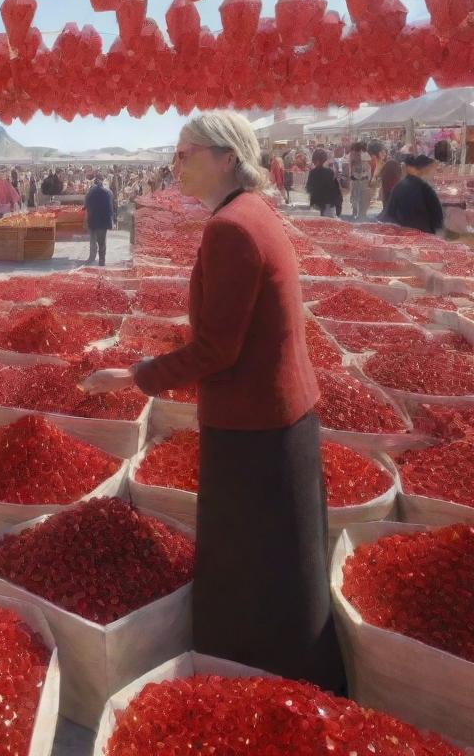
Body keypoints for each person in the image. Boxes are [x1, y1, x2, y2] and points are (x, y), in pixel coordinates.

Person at [82, 111, 343, 691]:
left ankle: (257, 682)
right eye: (175, 153)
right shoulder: (254, 214)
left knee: (251, 563)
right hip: (280, 413)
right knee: (285, 561)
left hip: (255, 422)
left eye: (186, 152)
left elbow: (218, 350)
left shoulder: (230, 228)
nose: (176, 164)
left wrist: (135, 374)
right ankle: (291, 676)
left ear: (227, 158)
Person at [382, 154, 444, 234]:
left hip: (402, 234)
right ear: (425, 169)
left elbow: (389, 213)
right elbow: (438, 218)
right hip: (423, 235)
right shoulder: (426, 189)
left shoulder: (399, 186)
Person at [84, 173, 114, 266]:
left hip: (93, 219)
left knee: (93, 240)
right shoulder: (108, 192)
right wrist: (111, 219)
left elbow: (86, 205)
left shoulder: (90, 192)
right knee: (102, 242)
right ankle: (102, 260)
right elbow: (110, 208)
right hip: (103, 220)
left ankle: (91, 258)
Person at [305, 149, 342, 217]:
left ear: (314, 161)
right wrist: (338, 205)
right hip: (328, 205)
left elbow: (308, 188)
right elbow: (336, 190)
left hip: (316, 205)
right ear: (324, 160)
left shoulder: (313, 173)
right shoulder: (330, 172)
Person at [348, 142, 371, 221]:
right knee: (359, 196)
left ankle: (356, 213)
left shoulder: (355, 154)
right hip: (360, 178)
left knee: (356, 196)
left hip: (357, 178)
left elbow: (351, 166)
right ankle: (359, 213)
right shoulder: (361, 154)